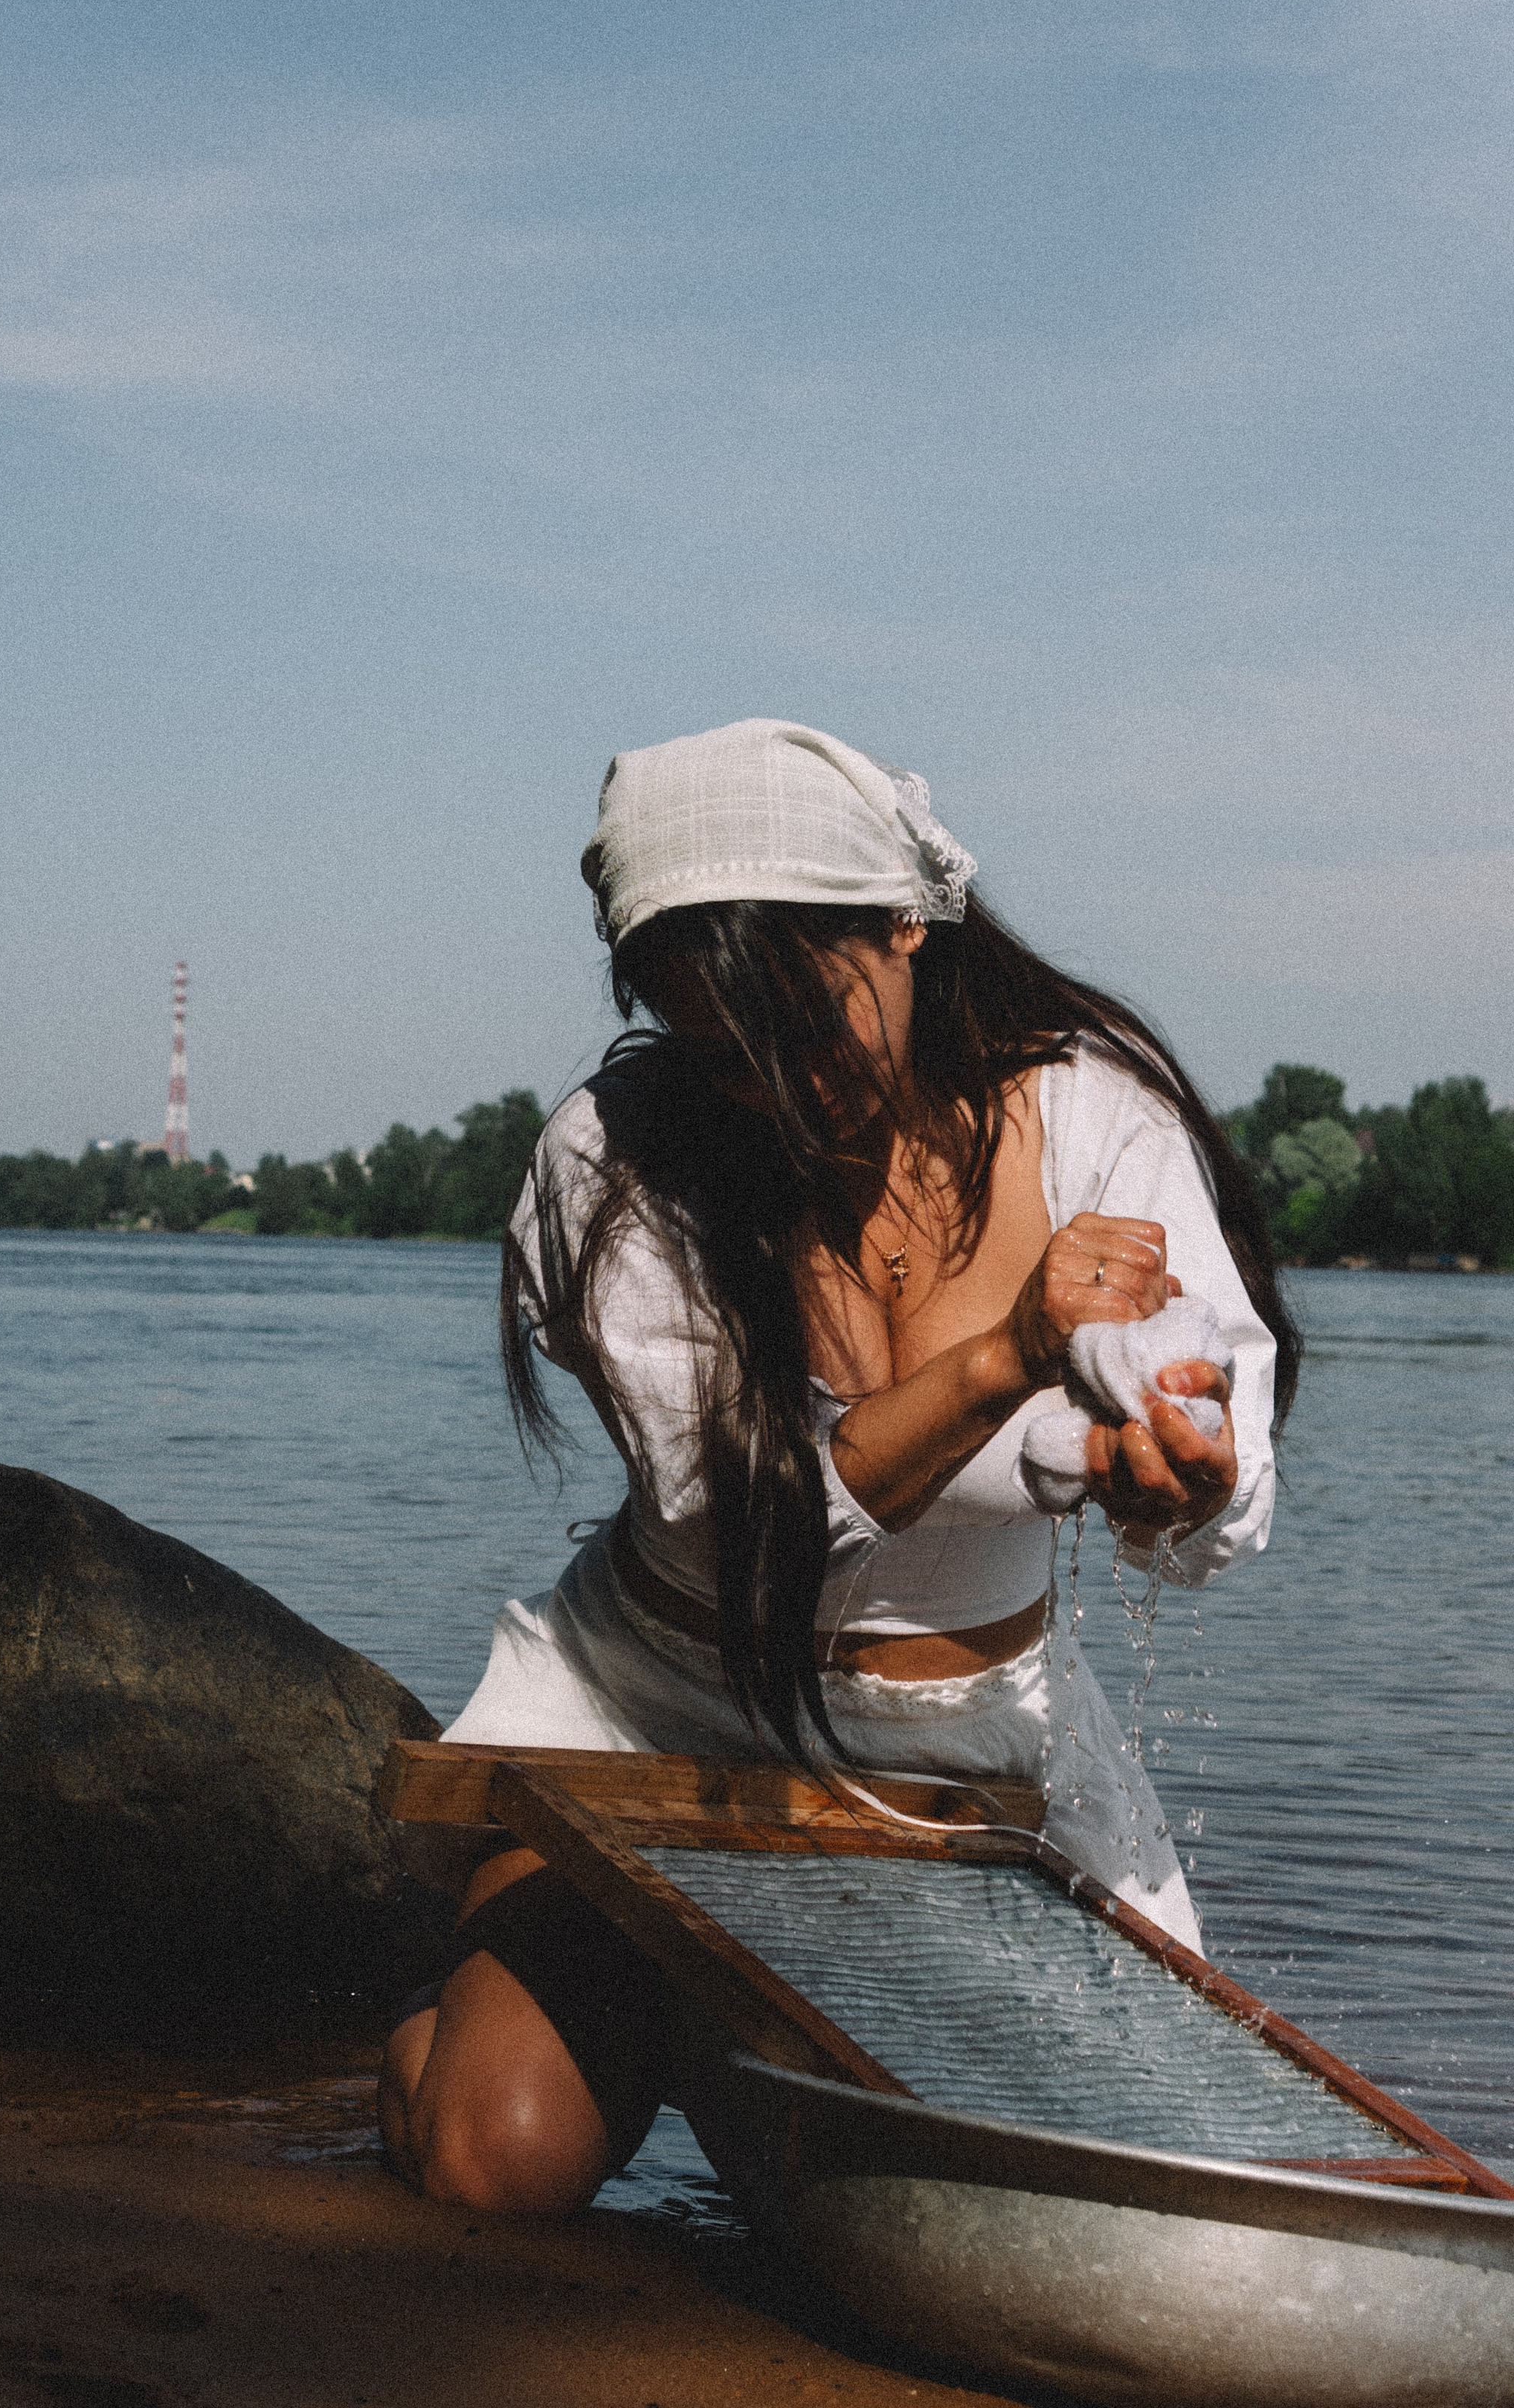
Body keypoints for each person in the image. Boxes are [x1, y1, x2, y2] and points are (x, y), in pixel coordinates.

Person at [379, 718, 1293, 2217]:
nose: (781, 1088)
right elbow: (730, 1522)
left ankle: (706, 2024)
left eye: (808, 1021)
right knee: (496, 2165)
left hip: (978, 1752)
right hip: (649, 1719)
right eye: (718, 1048)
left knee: (1151, 2199)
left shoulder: (1092, 1119)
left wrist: (1174, 1474)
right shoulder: (612, 1162)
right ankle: (485, 2014)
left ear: (902, 925)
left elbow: (1210, 1427)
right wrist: (1006, 1351)